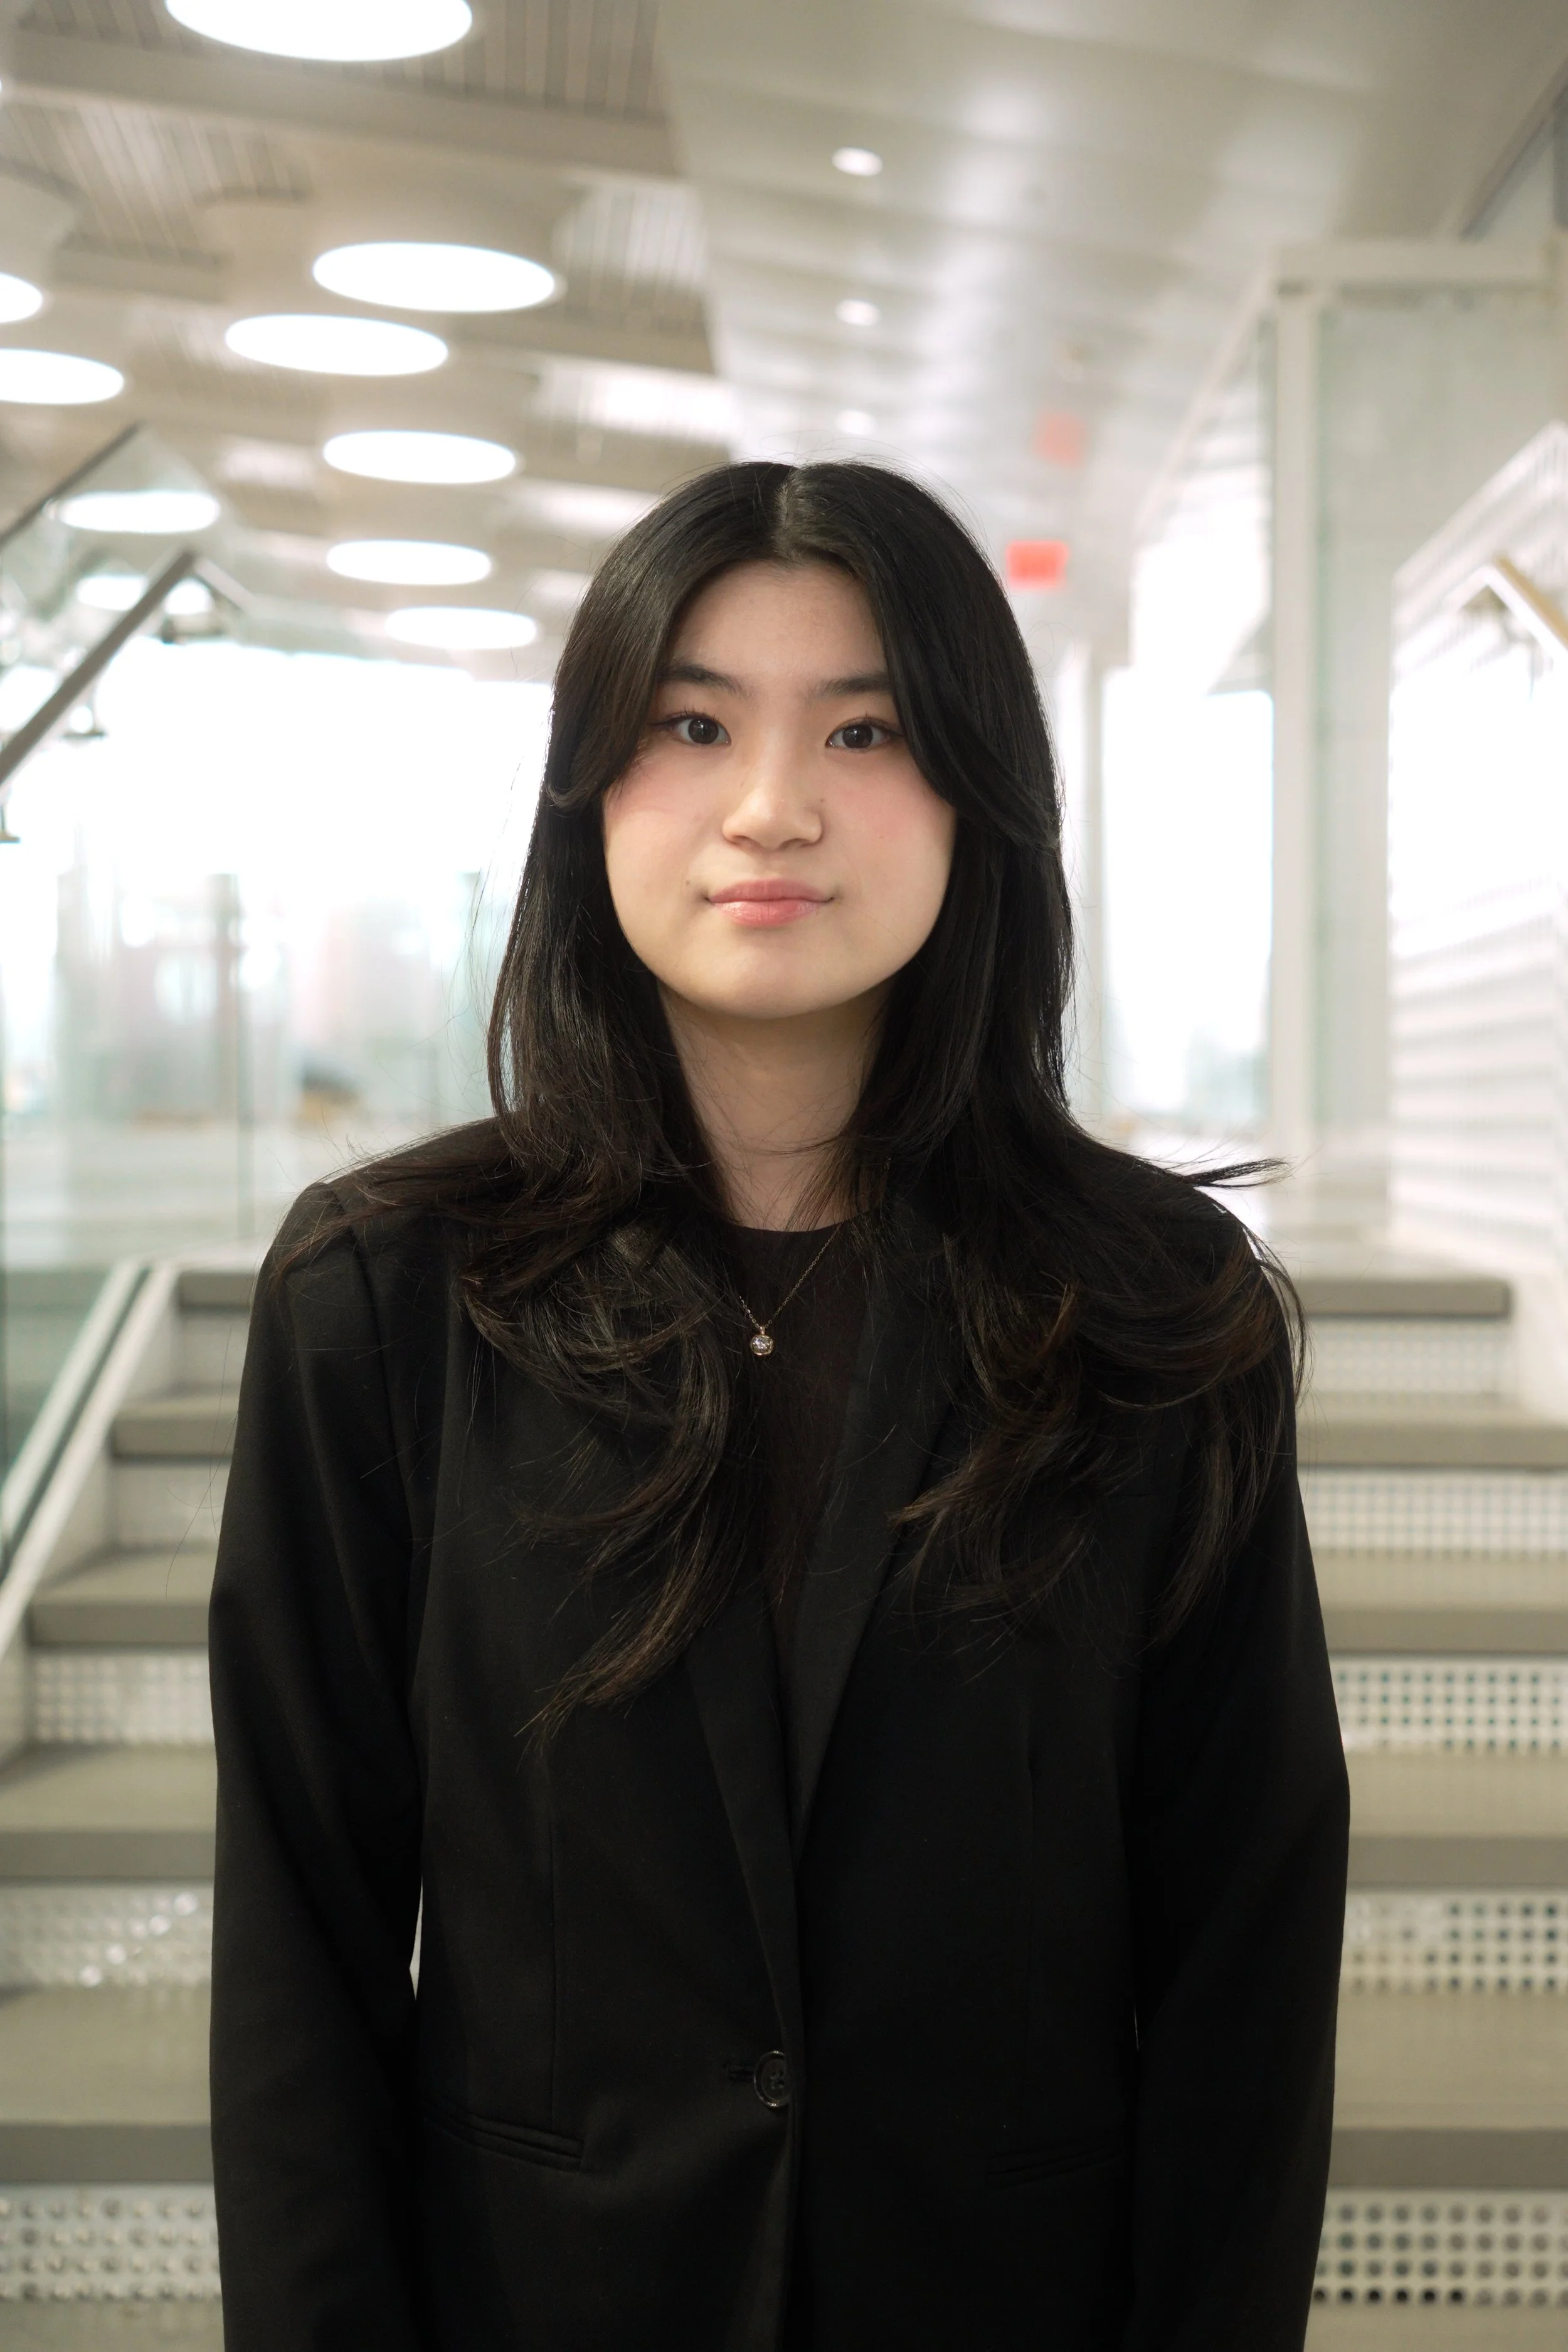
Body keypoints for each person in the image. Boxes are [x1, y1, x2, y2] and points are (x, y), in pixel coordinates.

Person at [208, 459, 1348, 2351]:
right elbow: (299, 1938)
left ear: (980, 792)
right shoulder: (386, 1294)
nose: (771, 805)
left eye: (865, 729)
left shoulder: (1154, 1311)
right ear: (590, 789)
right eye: (694, 724)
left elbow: (1247, 1942)